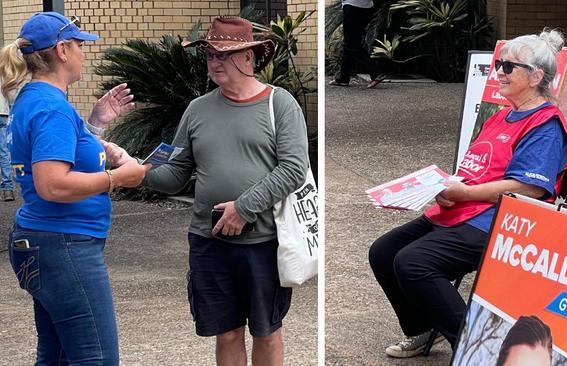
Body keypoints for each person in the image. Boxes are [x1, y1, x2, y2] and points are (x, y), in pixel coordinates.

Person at [105, 16, 309, 366]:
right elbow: (175, 174)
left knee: (266, 331)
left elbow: (293, 169)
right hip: (208, 241)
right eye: (210, 54)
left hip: (263, 242)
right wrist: (134, 169)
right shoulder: (197, 109)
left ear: (250, 57)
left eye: (224, 54)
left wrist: (243, 208)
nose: (214, 61)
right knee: (226, 331)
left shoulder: (280, 103)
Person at [368, 28, 567, 358]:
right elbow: (476, 170)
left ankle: (476, 350)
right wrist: (443, 188)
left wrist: (464, 193)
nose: (500, 73)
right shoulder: (502, 115)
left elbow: (530, 187)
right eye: (499, 65)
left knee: (412, 263)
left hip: (503, 221)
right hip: (466, 209)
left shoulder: (545, 124)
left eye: (509, 67)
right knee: (383, 252)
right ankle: (423, 328)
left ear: (536, 76)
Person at [2, 12, 149, 364]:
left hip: (43, 241)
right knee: (95, 358)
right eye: (80, 45)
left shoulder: (32, 100)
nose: (85, 52)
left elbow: (58, 157)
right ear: (62, 50)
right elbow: (53, 185)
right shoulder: (52, 108)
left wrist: (95, 125)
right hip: (64, 245)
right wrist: (120, 177)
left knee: (57, 356)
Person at [329, 0, 387, 88]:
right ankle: (343, 78)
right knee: (350, 42)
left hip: (352, 7)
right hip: (367, 8)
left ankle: (376, 73)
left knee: (352, 44)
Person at [0, 78, 16, 201]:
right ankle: (8, 189)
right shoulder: (2, 71)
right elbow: (11, 96)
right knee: (3, 153)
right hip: (2, 113)